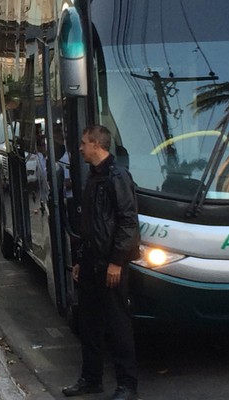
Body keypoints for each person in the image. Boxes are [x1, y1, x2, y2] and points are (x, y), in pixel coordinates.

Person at [62, 125, 140, 400]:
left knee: (118, 325)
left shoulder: (117, 176)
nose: (80, 148)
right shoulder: (95, 176)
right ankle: (91, 379)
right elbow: (89, 225)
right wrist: (81, 260)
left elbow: (128, 221)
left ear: (96, 144)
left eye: (84, 143)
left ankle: (127, 385)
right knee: (89, 324)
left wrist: (117, 262)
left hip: (111, 265)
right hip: (93, 263)